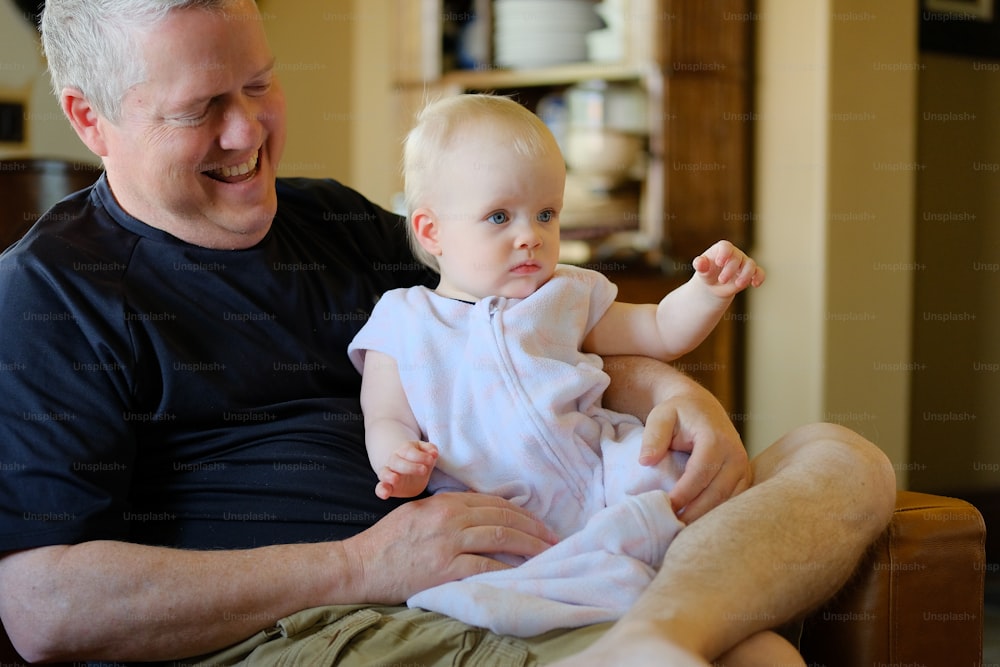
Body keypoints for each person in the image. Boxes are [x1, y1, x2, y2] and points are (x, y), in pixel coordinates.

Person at [0, 1, 896, 666]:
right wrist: (358, 567)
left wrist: (674, 394)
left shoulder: (341, 225)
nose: (248, 132)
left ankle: (662, 633)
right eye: (200, 108)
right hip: (331, 625)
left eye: (260, 84)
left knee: (840, 457)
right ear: (91, 119)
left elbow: (521, 319)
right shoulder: (51, 293)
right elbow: (42, 605)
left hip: (547, 546)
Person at [347, 94, 766, 638]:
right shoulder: (404, 320)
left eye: (546, 213)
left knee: (666, 467)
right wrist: (397, 463)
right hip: (506, 512)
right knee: (491, 592)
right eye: (499, 216)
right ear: (431, 232)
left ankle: (661, 571)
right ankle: (622, 592)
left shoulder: (565, 293)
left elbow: (659, 330)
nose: (532, 235)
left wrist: (708, 290)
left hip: (604, 474)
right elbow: (384, 417)